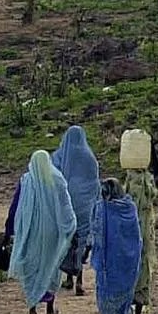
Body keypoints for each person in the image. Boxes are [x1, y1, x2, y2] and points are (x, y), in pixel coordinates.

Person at [7, 150, 77, 314]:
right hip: (52, 233)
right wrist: (70, 225)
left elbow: (16, 205)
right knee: (50, 266)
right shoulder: (57, 179)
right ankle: (50, 308)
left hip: (31, 232)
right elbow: (66, 205)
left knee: (31, 267)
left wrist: (11, 228)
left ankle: (32, 309)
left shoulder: (27, 181)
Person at [92, 177, 144, 314]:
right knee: (123, 296)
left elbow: (96, 234)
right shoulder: (130, 208)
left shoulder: (102, 209)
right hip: (128, 263)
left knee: (107, 299)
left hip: (108, 264)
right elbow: (137, 236)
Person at [55, 124, 101, 297]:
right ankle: (80, 281)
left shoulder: (61, 156)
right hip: (85, 207)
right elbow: (96, 183)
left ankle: (68, 277)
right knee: (82, 241)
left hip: (68, 205)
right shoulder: (89, 157)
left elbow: (54, 177)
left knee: (68, 240)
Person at [122, 129, 157, 314]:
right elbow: (151, 198)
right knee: (143, 273)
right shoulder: (147, 181)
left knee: (128, 272)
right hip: (144, 234)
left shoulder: (129, 181)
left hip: (128, 235)